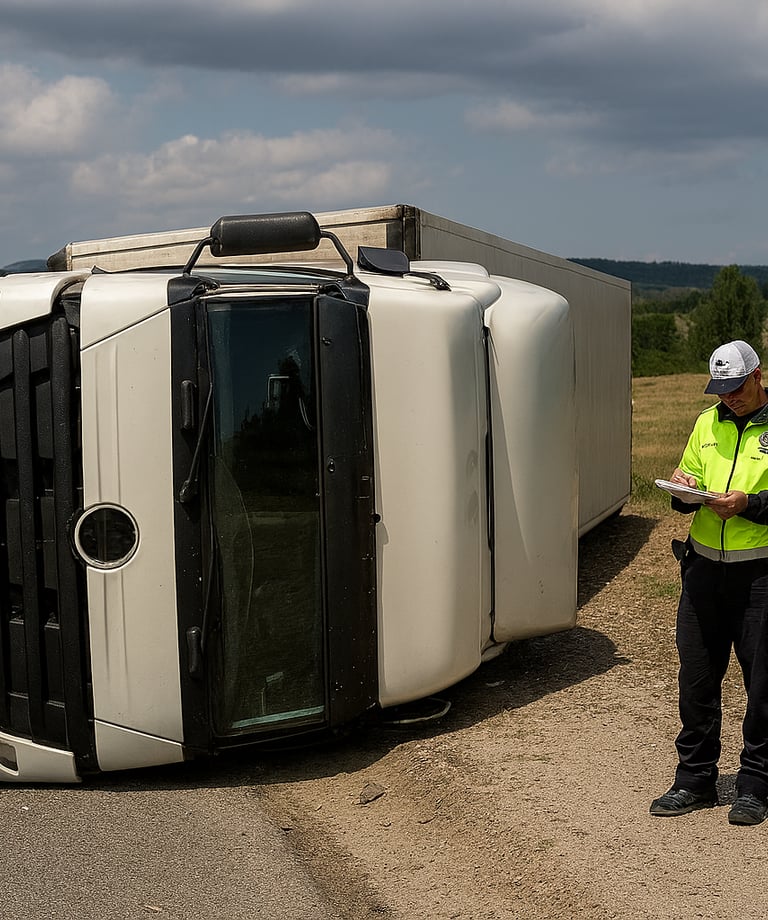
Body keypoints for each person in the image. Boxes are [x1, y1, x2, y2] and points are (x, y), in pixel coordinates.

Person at [650, 339, 768, 826]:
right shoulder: (706, 423)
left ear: (758, 375)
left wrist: (749, 504)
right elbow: (689, 483)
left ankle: (755, 785)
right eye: (720, 390)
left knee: (762, 687)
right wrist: (684, 490)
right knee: (697, 681)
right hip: (702, 571)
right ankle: (694, 780)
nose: (729, 398)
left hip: (759, 576)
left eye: (736, 387)